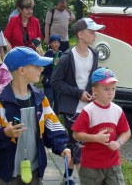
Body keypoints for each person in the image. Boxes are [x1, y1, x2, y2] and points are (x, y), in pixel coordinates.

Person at [0, 47, 71, 184]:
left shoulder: (40, 99)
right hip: (8, 174)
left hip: (35, 170)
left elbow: (52, 127)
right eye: (36, 66)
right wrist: (5, 133)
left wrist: (62, 147)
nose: (41, 70)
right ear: (22, 70)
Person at [51, 17, 105, 185]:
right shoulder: (67, 57)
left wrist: (93, 93)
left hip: (88, 107)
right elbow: (55, 82)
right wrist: (78, 93)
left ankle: (67, 178)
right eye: (91, 32)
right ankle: (85, 181)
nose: (95, 35)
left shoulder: (95, 54)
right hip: (70, 108)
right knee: (80, 144)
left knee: (74, 144)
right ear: (81, 34)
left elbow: (93, 80)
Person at [72, 68, 131, 185]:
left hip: (113, 164)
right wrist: (95, 138)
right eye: (106, 89)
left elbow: (126, 132)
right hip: (91, 166)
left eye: (113, 89)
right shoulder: (89, 111)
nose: (111, 93)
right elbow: (76, 134)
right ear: (95, 91)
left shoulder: (117, 110)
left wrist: (118, 143)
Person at [41, 35, 62, 109]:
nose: (56, 44)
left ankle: (56, 115)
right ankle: (48, 113)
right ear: (50, 44)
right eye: (54, 42)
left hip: (57, 80)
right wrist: (53, 63)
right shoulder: (47, 54)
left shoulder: (61, 54)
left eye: (58, 42)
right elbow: (44, 67)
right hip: (48, 79)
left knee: (57, 99)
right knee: (49, 98)